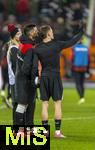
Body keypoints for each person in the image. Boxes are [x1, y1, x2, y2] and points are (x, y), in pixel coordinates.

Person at [29, 24, 84, 138]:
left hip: (44, 77)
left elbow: (34, 66)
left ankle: (45, 132)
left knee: (44, 105)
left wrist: (35, 79)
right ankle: (57, 132)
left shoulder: (37, 48)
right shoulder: (56, 45)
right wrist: (80, 32)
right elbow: (72, 41)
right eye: (51, 31)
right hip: (55, 77)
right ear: (48, 33)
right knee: (57, 104)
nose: (53, 33)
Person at [15, 24, 38, 126]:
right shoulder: (29, 48)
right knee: (23, 104)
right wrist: (33, 79)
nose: (37, 32)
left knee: (25, 104)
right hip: (25, 80)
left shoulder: (23, 44)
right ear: (31, 33)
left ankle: (24, 129)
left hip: (20, 77)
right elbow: (26, 67)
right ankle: (18, 129)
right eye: (35, 30)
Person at [7, 24, 22, 124]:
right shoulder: (13, 48)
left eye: (21, 33)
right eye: (18, 34)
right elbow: (16, 67)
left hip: (16, 79)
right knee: (17, 104)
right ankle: (16, 127)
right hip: (16, 80)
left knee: (18, 104)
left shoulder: (17, 46)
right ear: (13, 36)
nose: (20, 35)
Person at [71, 38, 89, 104]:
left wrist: (71, 68)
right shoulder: (86, 48)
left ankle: (81, 97)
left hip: (76, 68)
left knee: (78, 83)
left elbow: (72, 58)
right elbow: (88, 58)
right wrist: (88, 69)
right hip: (84, 68)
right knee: (82, 83)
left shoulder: (74, 48)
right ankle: (82, 97)